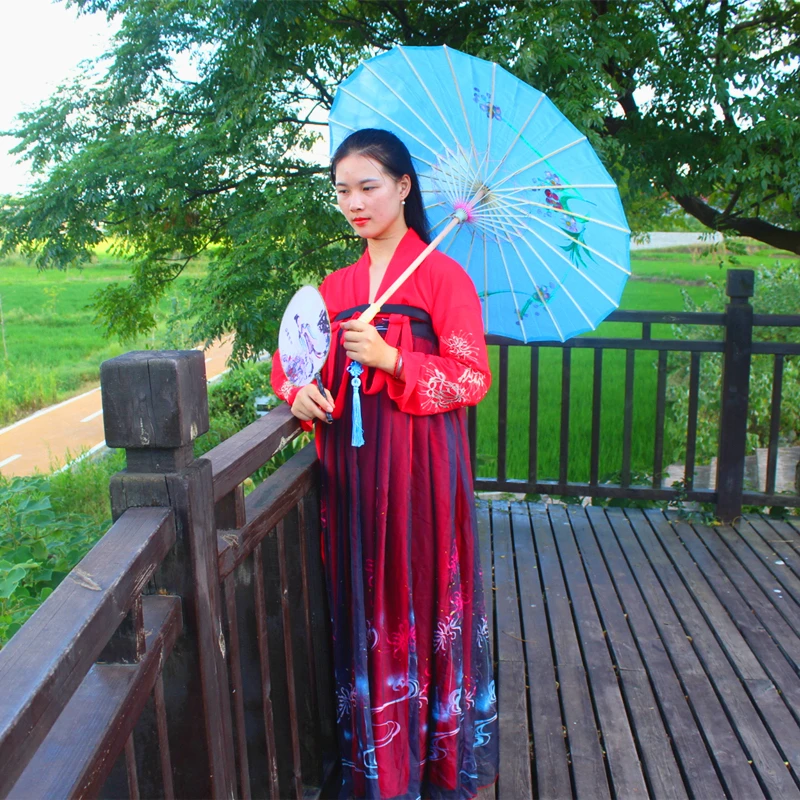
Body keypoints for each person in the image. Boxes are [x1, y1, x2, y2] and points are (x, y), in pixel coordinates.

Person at [271, 129, 498, 800]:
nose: (355, 203)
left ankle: (432, 763)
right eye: (343, 190)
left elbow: (472, 378)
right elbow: (292, 359)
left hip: (423, 472)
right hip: (353, 473)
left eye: (369, 187)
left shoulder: (443, 277)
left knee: (420, 592)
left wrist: (394, 359)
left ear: (403, 188)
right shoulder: (334, 287)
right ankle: (375, 759)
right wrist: (295, 391)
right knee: (364, 598)